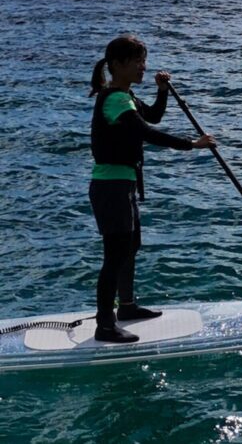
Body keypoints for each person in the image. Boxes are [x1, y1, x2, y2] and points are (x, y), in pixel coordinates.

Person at [88, 34, 215, 343]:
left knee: (130, 247)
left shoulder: (126, 95)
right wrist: (192, 145)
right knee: (114, 255)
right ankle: (105, 324)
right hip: (111, 187)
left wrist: (162, 92)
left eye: (144, 61)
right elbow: (146, 132)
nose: (143, 67)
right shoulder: (116, 99)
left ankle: (127, 307)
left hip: (124, 185)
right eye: (137, 62)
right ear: (117, 65)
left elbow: (154, 115)